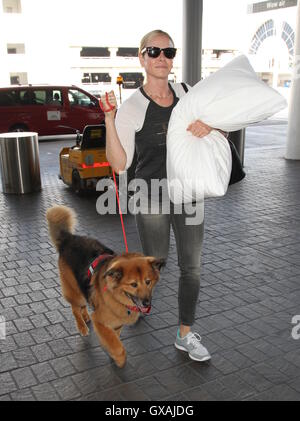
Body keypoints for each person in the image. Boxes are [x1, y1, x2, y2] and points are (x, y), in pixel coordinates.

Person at [101, 29, 214, 362]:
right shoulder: (134, 107)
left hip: (189, 192)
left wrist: (210, 127)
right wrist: (109, 119)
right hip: (150, 195)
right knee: (152, 268)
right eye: (154, 52)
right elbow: (120, 164)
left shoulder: (186, 92)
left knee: (192, 268)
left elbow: (217, 124)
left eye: (169, 52)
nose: (162, 58)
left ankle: (185, 334)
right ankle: (124, 306)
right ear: (142, 57)